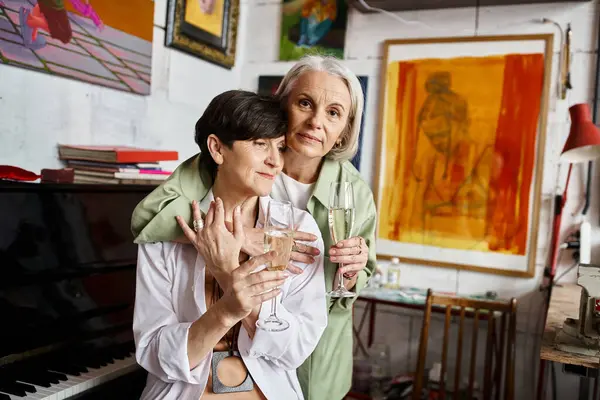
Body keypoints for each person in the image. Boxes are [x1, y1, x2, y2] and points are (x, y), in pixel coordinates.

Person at [131, 55, 377, 400]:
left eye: (334, 113)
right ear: (284, 106)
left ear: (345, 130)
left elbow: (334, 301)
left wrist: (350, 271)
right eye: (305, 103)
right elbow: (149, 218)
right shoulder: (205, 175)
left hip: (305, 354)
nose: (316, 122)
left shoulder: (349, 197)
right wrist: (232, 234)